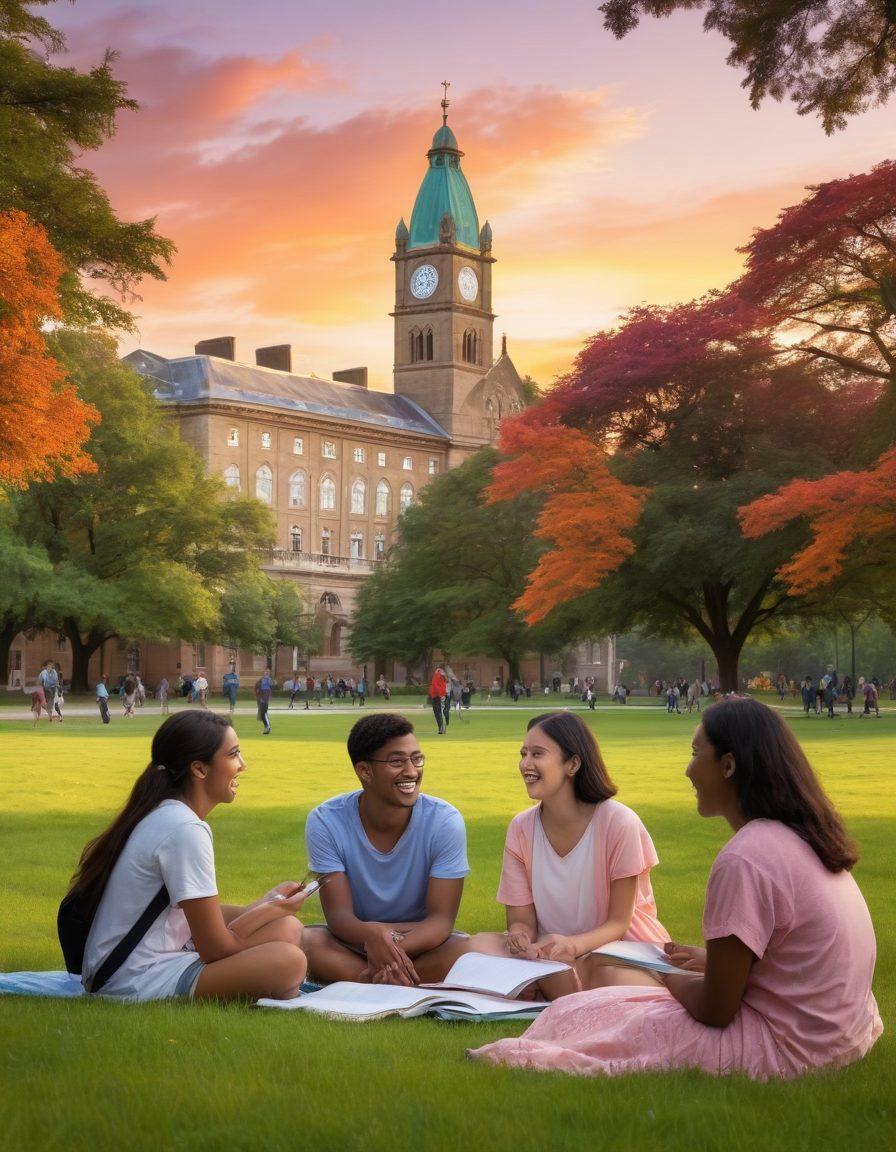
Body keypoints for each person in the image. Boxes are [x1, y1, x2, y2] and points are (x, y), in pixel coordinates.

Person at [469, 697, 882, 1080]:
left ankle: (511, 1055)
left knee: (599, 1014)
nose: (687, 770)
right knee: (594, 1003)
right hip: (841, 1034)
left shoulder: (746, 858)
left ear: (728, 766)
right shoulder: (794, 838)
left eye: (694, 754)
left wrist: (668, 980)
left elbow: (714, 1011)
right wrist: (710, 962)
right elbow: (792, 952)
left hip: (789, 1046)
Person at [66, 710, 309, 1003]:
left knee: (288, 929)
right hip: (136, 978)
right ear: (199, 769)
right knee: (289, 961)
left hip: (136, 965)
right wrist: (274, 910)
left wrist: (268, 904)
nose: (243, 765)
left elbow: (198, 916)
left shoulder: (166, 814)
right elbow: (215, 948)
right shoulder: (184, 829)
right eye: (233, 755)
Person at [466, 712, 668, 1000]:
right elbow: (521, 918)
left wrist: (573, 945)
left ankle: (559, 987)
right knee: (475, 947)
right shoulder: (521, 828)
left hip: (618, 947)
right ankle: (559, 985)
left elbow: (619, 923)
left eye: (537, 754)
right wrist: (519, 936)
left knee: (604, 974)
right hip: (551, 951)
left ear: (572, 764)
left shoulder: (618, 822)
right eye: (523, 754)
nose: (525, 764)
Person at [302, 713, 469, 985]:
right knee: (304, 941)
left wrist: (390, 951)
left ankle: (369, 981)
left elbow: (440, 921)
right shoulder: (326, 821)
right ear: (364, 771)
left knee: (472, 949)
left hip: (422, 943)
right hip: (354, 941)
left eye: (417, 759)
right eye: (397, 761)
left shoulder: (444, 821)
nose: (412, 771)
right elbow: (339, 916)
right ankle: (399, 983)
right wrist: (372, 936)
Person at [428, 666, 448, 734]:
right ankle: (441, 728)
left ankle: (442, 729)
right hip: (437, 696)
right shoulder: (441, 677)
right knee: (438, 713)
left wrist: (439, 694)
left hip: (437, 697)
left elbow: (436, 686)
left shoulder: (438, 676)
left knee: (438, 713)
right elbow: (440, 687)